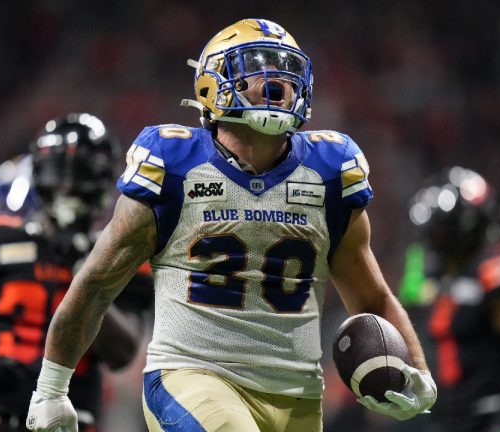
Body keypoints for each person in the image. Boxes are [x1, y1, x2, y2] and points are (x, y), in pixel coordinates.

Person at [26, 18, 436, 432]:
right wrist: (51, 388)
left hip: (297, 393)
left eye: (285, 70)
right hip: (191, 376)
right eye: (255, 67)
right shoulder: (174, 162)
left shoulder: (329, 171)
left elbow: (373, 297)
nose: (275, 82)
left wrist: (418, 372)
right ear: (212, 85)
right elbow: (96, 283)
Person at [0, 113, 152, 432]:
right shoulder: (0, 239)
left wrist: (86, 275)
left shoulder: (120, 252)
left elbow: (121, 354)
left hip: (72, 415)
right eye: (59, 174)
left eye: (80, 175)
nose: (67, 186)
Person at [399, 166, 500, 431]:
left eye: (438, 234)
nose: (432, 243)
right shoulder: (430, 270)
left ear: (465, 226)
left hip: (489, 414)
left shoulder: (497, 268)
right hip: (446, 416)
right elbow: (407, 313)